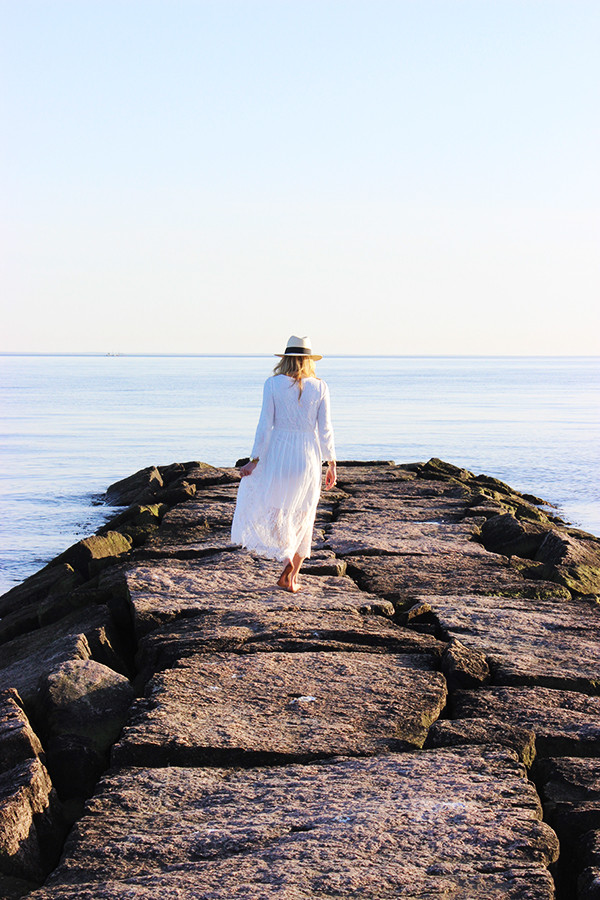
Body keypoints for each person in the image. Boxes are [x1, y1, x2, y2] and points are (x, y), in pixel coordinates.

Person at [231, 335, 337, 592]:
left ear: (286, 359)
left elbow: (264, 425)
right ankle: (292, 577)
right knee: (305, 514)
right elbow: (325, 430)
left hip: (278, 453)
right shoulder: (320, 387)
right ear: (309, 360)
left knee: (275, 509)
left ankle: (286, 559)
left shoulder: (272, 384)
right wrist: (331, 463)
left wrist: (254, 460)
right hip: (308, 456)